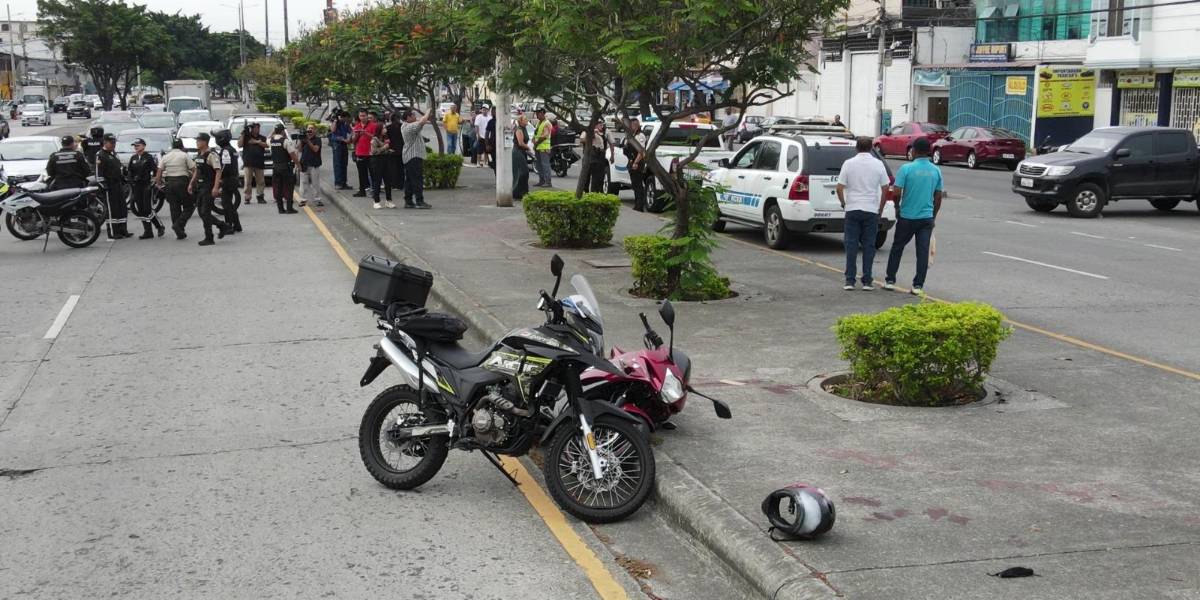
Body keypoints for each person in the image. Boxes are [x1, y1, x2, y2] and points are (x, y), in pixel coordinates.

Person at [885, 137, 943, 295]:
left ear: (915, 150)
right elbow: (938, 197)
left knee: (897, 247)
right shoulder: (936, 170)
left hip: (907, 216)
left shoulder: (906, 169)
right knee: (922, 252)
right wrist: (933, 216)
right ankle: (918, 285)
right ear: (929, 151)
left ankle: (890, 280)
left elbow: (896, 192)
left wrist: (897, 207)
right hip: (926, 218)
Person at [836, 137, 891, 291]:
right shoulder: (878, 164)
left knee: (851, 245)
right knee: (869, 246)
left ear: (856, 148)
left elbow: (839, 187)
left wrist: (844, 203)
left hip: (852, 208)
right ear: (871, 148)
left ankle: (850, 280)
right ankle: (867, 281)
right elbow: (886, 188)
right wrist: (880, 208)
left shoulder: (849, 163)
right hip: (871, 209)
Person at [188, 132, 233, 246]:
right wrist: (191, 183)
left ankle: (209, 237)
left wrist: (216, 187)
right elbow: (197, 170)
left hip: (209, 186)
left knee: (205, 212)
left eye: (198, 140)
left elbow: (218, 171)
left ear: (204, 142)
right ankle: (222, 226)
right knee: (202, 212)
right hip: (201, 186)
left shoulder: (211, 155)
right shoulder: (200, 154)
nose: (197, 142)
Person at [155, 139, 195, 239]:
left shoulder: (166, 156)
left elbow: (159, 172)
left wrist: (159, 184)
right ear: (182, 146)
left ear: (172, 146)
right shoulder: (184, 155)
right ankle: (179, 225)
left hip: (169, 184)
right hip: (182, 182)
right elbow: (194, 169)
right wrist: (192, 183)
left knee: (174, 208)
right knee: (189, 206)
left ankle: (179, 233)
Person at [127, 137, 165, 239]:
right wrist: (130, 180)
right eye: (134, 146)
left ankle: (159, 226)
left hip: (146, 185)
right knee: (141, 209)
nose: (136, 147)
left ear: (143, 146)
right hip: (136, 186)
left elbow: (155, 171)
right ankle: (148, 231)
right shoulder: (133, 158)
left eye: (138, 145)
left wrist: (153, 183)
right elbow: (129, 171)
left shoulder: (148, 157)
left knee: (147, 209)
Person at [96, 133, 130, 239]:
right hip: (109, 186)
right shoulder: (100, 155)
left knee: (122, 208)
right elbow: (98, 173)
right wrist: (103, 185)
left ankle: (122, 230)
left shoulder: (113, 154)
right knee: (112, 209)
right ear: (105, 142)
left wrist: (124, 177)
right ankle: (112, 232)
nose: (114, 144)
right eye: (112, 143)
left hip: (118, 185)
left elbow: (118, 168)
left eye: (114, 142)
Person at [401, 108, 435, 209]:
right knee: (417, 180)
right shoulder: (409, 127)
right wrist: (428, 111)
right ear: (408, 117)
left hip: (410, 156)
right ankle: (419, 201)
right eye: (413, 116)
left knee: (410, 180)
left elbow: (422, 121)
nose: (415, 117)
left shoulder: (406, 125)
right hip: (413, 156)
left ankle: (408, 201)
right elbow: (422, 121)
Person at [213, 129, 243, 233]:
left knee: (226, 204)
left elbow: (224, 166)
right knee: (228, 203)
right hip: (233, 178)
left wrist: (219, 178)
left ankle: (229, 226)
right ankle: (237, 225)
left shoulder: (226, 150)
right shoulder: (232, 149)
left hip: (228, 179)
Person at [268, 124, 299, 214]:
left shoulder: (271, 141)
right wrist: (298, 165)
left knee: (278, 188)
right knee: (289, 187)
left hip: (276, 168)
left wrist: (274, 131)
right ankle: (289, 208)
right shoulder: (286, 141)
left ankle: (280, 209)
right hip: (286, 167)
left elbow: (268, 138)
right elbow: (293, 155)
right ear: (282, 131)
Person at [351, 110, 378, 197]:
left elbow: (376, 138)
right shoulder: (357, 126)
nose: (362, 117)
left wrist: (366, 133)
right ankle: (362, 190)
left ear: (367, 116)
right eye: (361, 116)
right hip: (360, 152)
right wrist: (356, 135)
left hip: (370, 153)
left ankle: (375, 191)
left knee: (373, 173)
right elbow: (353, 141)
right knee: (361, 173)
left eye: (364, 116)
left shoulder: (373, 125)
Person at [240, 122, 268, 204]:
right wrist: (243, 134)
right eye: (253, 128)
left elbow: (266, 145)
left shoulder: (262, 138)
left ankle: (260, 196)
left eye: (256, 128)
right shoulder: (246, 137)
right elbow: (239, 145)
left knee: (260, 181)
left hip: (259, 162)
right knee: (248, 181)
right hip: (248, 162)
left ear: (259, 129)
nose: (255, 129)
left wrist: (256, 142)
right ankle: (247, 197)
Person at [624, 118, 648, 211]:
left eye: (632, 125)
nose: (631, 127)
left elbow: (641, 151)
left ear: (636, 125)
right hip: (631, 161)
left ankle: (639, 205)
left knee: (638, 185)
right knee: (635, 184)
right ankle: (637, 203)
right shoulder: (632, 135)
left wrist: (636, 162)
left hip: (637, 163)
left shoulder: (640, 135)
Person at [298, 124, 324, 209]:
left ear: (315, 130)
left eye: (312, 128)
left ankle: (317, 199)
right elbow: (299, 149)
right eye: (308, 128)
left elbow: (316, 149)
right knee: (303, 183)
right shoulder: (303, 139)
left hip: (314, 164)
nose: (310, 130)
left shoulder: (317, 139)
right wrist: (301, 140)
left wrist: (308, 141)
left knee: (315, 183)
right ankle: (303, 199)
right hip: (304, 163)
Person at [383, 112, 405, 208]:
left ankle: (396, 184)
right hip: (399, 150)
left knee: (395, 168)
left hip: (394, 150)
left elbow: (386, 138)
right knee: (398, 168)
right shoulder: (401, 127)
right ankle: (399, 184)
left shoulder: (389, 128)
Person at [584, 121, 611, 193]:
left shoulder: (605, 133)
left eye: (602, 125)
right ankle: (586, 192)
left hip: (600, 157)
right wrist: (593, 133)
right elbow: (583, 139)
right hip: (591, 157)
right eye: (599, 124)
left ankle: (595, 192)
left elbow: (610, 143)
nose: (601, 126)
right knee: (586, 177)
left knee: (597, 178)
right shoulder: (590, 131)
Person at [512, 113, 533, 201]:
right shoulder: (519, 130)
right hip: (517, 152)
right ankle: (517, 192)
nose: (527, 120)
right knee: (522, 172)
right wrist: (529, 148)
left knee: (524, 172)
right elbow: (520, 143)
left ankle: (523, 191)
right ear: (520, 121)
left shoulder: (524, 128)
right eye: (525, 119)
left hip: (522, 152)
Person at [329, 111, 352, 190]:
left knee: (344, 164)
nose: (347, 120)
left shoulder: (345, 124)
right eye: (346, 118)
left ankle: (344, 183)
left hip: (344, 144)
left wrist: (348, 139)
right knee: (338, 164)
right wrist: (335, 120)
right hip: (337, 145)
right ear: (343, 117)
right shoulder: (336, 122)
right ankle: (338, 183)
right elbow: (332, 130)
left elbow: (350, 132)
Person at [533, 108, 553, 187]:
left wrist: (536, 143)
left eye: (538, 113)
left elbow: (545, 136)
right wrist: (534, 140)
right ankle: (541, 180)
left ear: (542, 113)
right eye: (536, 113)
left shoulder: (547, 123)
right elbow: (537, 134)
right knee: (539, 165)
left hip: (544, 147)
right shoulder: (539, 123)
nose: (536, 115)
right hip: (538, 147)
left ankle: (548, 182)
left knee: (545, 165)